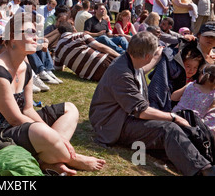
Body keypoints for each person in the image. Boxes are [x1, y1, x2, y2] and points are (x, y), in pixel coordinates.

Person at [0, 12, 106, 176]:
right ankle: (72, 158)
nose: (35, 37)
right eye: (29, 32)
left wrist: (53, 136)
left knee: (70, 109)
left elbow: (28, 109)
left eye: (35, 32)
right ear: (12, 39)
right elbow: (14, 119)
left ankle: (50, 156)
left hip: (20, 124)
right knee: (43, 132)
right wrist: (54, 135)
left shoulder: (25, 64)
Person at [89, 31, 215, 176]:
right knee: (169, 128)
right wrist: (173, 117)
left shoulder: (129, 61)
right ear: (146, 56)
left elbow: (141, 70)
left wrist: (156, 58)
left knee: (177, 128)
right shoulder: (121, 73)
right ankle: (204, 170)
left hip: (121, 116)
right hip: (111, 124)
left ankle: (197, 160)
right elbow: (141, 111)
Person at [54, 22, 120, 82]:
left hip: (92, 76)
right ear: (72, 29)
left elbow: (58, 69)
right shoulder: (79, 35)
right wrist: (120, 56)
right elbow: (101, 47)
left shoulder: (57, 50)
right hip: (104, 62)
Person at [171, 64, 215, 138]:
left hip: (176, 115)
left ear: (202, 75)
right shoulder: (213, 95)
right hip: (193, 122)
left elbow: (173, 97)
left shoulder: (191, 85)